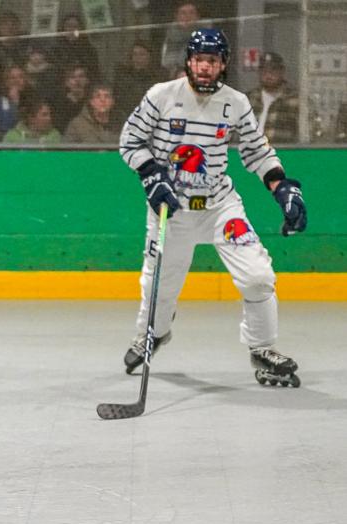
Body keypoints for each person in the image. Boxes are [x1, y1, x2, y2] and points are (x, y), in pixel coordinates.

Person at [119, 29, 306, 385]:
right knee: (158, 284)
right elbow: (130, 141)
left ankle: (262, 348)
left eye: (213, 61)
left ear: (223, 65)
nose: (205, 67)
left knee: (258, 276)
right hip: (171, 209)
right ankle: (152, 334)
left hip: (221, 208)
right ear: (188, 62)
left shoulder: (236, 103)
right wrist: (150, 174)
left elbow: (256, 151)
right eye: (199, 60)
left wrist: (281, 187)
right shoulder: (161, 96)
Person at [246, 52, 299, 144]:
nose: (269, 75)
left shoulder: (296, 101)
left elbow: (310, 136)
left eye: (273, 71)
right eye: (264, 71)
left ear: (282, 72)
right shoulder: (248, 99)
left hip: (283, 155)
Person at [160, 2, 201, 77]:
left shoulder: (206, 34)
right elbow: (166, 61)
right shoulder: (170, 35)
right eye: (183, 13)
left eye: (191, 13)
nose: (188, 17)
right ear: (177, 16)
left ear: (197, 16)